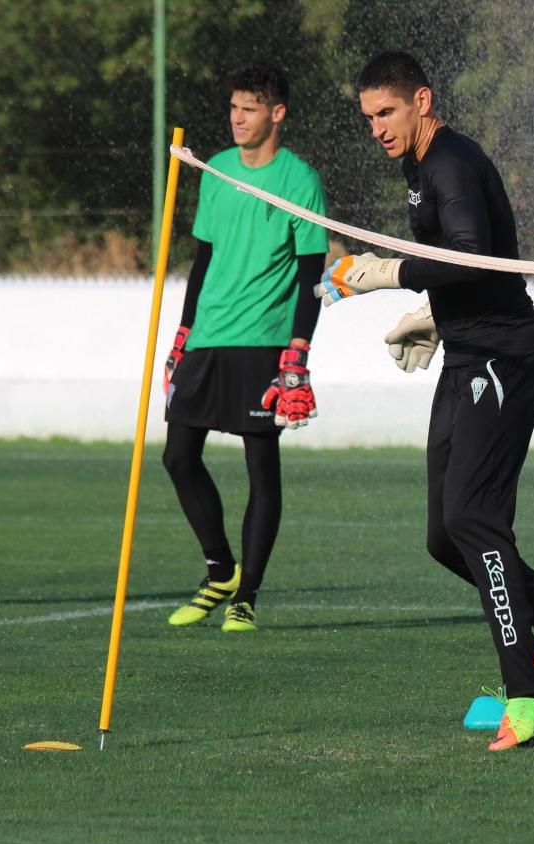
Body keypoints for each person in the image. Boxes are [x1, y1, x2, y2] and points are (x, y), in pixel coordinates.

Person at [317, 50, 534, 751]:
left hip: (505, 359)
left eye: (387, 112)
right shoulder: (418, 167)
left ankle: (526, 694)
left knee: (474, 519)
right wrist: (438, 318)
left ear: (422, 100)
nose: (377, 128)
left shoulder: (447, 164)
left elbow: (471, 251)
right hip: (470, 352)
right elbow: (473, 265)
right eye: (368, 117)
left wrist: (387, 274)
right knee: (445, 536)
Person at [162, 62, 328, 633]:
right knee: (177, 455)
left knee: (261, 463)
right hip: (208, 336)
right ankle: (220, 570)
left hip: (264, 340)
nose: (237, 118)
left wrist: (297, 352)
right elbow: (202, 260)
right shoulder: (216, 171)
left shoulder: (300, 180)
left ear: (276, 114)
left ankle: (246, 595)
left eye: (249, 108)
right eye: (234, 107)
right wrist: (181, 335)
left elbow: (313, 272)